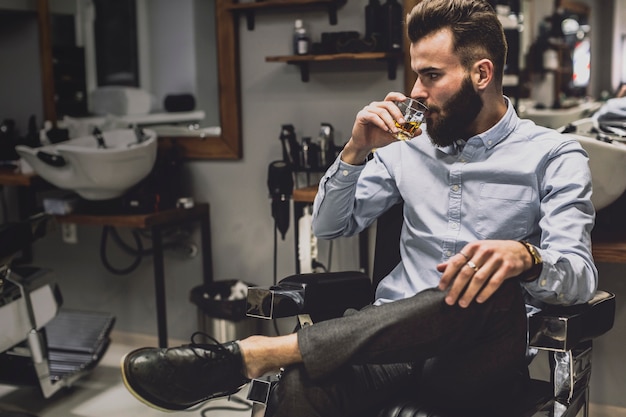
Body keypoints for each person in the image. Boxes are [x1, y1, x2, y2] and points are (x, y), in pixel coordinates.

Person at [120, 0, 597, 415]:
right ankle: (276, 357)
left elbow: (578, 277)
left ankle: (259, 351)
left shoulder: (553, 155)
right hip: (387, 346)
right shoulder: (410, 146)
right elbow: (330, 226)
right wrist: (354, 151)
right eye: (415, 74)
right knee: (302, 385)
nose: (415, 91)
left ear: (481, 73)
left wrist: (526, 258)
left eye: (431, 76)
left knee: (488, 285)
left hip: (472, 361)